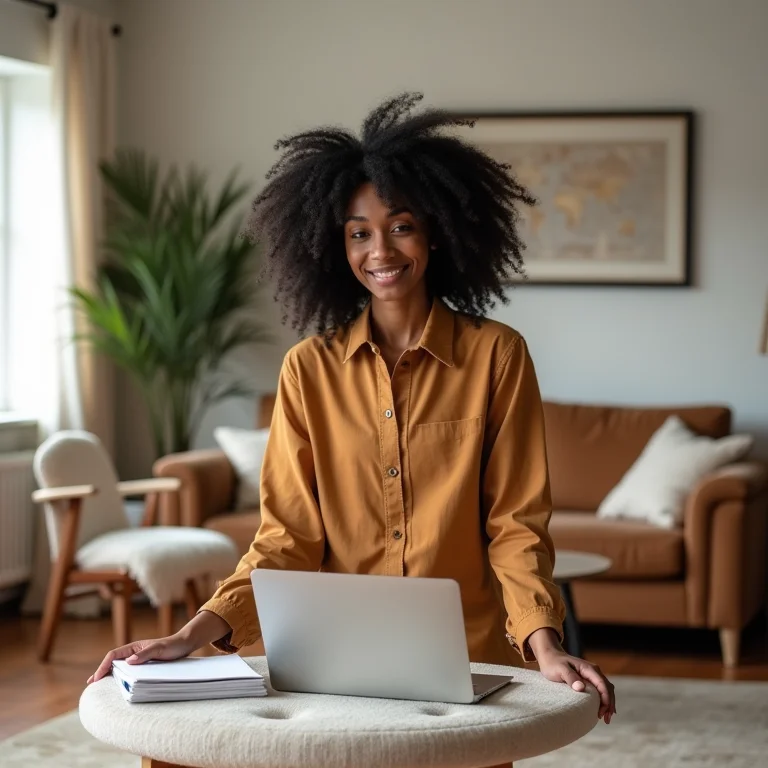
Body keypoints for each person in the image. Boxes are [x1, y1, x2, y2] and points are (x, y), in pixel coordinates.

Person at [89, 93, 616, 732]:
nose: (381, 251)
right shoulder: (306, 370)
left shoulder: (496, 356)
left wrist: (545, 644)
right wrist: (187, 637)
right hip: (333, 663)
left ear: (436, 231)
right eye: (358, 233)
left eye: (400, 226)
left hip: (468, 658)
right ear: (333, 247)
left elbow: (516, 523)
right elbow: (285, 538)